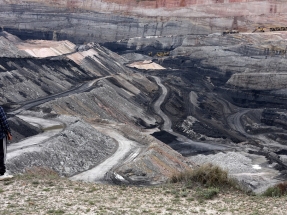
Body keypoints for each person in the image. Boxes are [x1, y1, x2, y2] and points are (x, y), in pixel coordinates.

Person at [0, 106, 13, 180]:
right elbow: (4, 121)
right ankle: (1, 173)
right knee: (1, 153)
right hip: (0, 136)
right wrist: (8, 132)